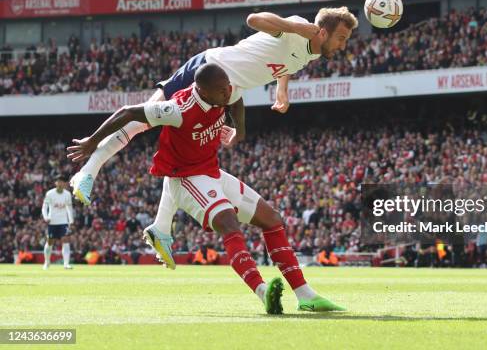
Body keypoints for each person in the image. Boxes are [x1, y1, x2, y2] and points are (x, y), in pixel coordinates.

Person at [68, 63, 344, 313]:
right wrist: (92, 141)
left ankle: (305, 295)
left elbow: (236, 100)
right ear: (204, 91)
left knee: (272, 220)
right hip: (186, 177)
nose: (228, 94)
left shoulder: (224, 91)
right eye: (221, 92)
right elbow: (128, 112)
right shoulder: (177, 110)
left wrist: (241, 131)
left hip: (211, 171)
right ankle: (263, 293)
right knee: (230, 224)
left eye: (228, 89)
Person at [70, 7, 358, 206]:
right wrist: (291, 25)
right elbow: (253, 19)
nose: (344, 45)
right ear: (321, 32)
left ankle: (160, 228)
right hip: (210, 68)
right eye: (342, 38)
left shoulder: (313, 53)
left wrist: (282, 89)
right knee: (145, 116)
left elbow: (289, 62)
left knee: (180, 149)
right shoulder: (298, 29)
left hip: (227, 92)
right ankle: (87, 172)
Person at [42, 175, 74, 270]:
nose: (60, 183)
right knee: (50, 242)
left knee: (65, 240)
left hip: (63, 221)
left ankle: (66, 264)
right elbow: (44, 207)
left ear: (65, 184)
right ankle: (47, 262)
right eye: (58, 181)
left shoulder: (67, 194)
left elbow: (69, 207)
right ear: (56, 183)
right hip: (52, 221)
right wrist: (46, 217)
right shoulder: (50, 194)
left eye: (62, 182)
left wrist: (71, 220)